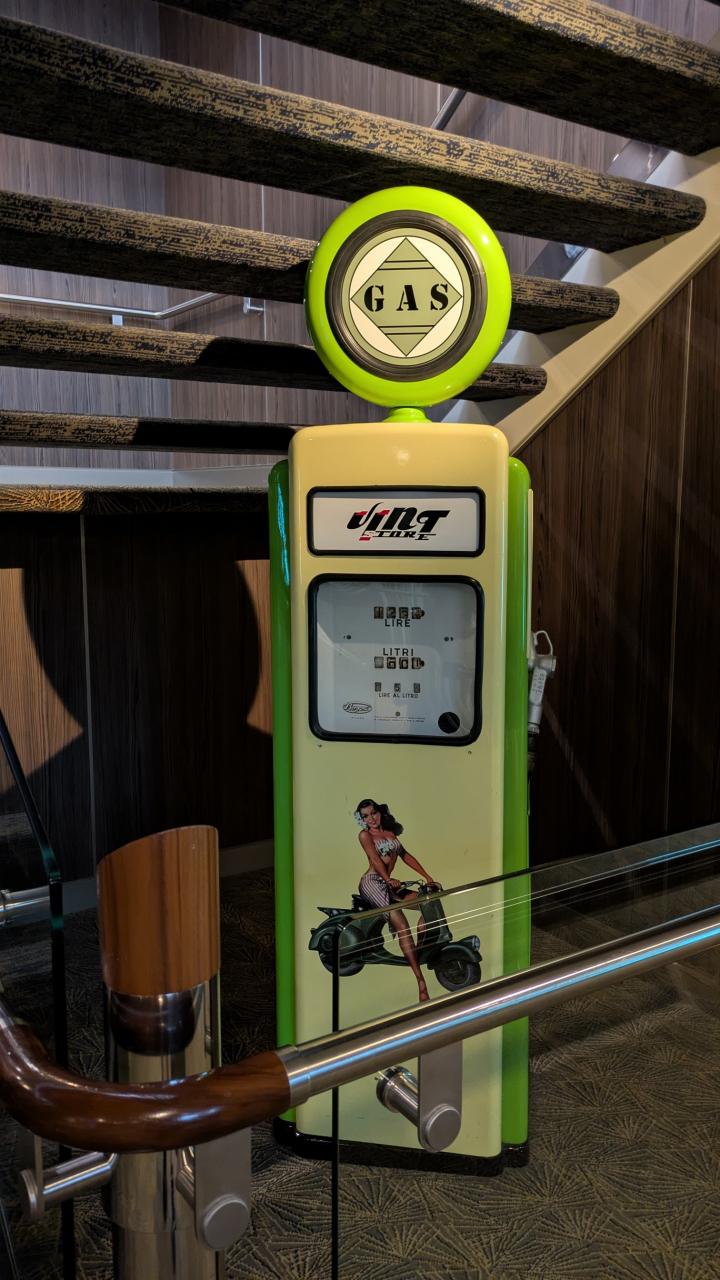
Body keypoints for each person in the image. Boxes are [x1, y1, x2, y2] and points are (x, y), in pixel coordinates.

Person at [354, 798, 441, 1002]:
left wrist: (428, 877)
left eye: (373, 813)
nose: (371, 818)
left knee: (428, 904)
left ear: (380, 812)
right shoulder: (365, 835)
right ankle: (421, 982)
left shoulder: (390, 834)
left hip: (389, 883)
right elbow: (375, 860)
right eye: (365, 816)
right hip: (373, 882)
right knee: (401, 924)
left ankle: (418, 951)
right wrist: (388, 879)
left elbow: (405, 855)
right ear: (362, 820)